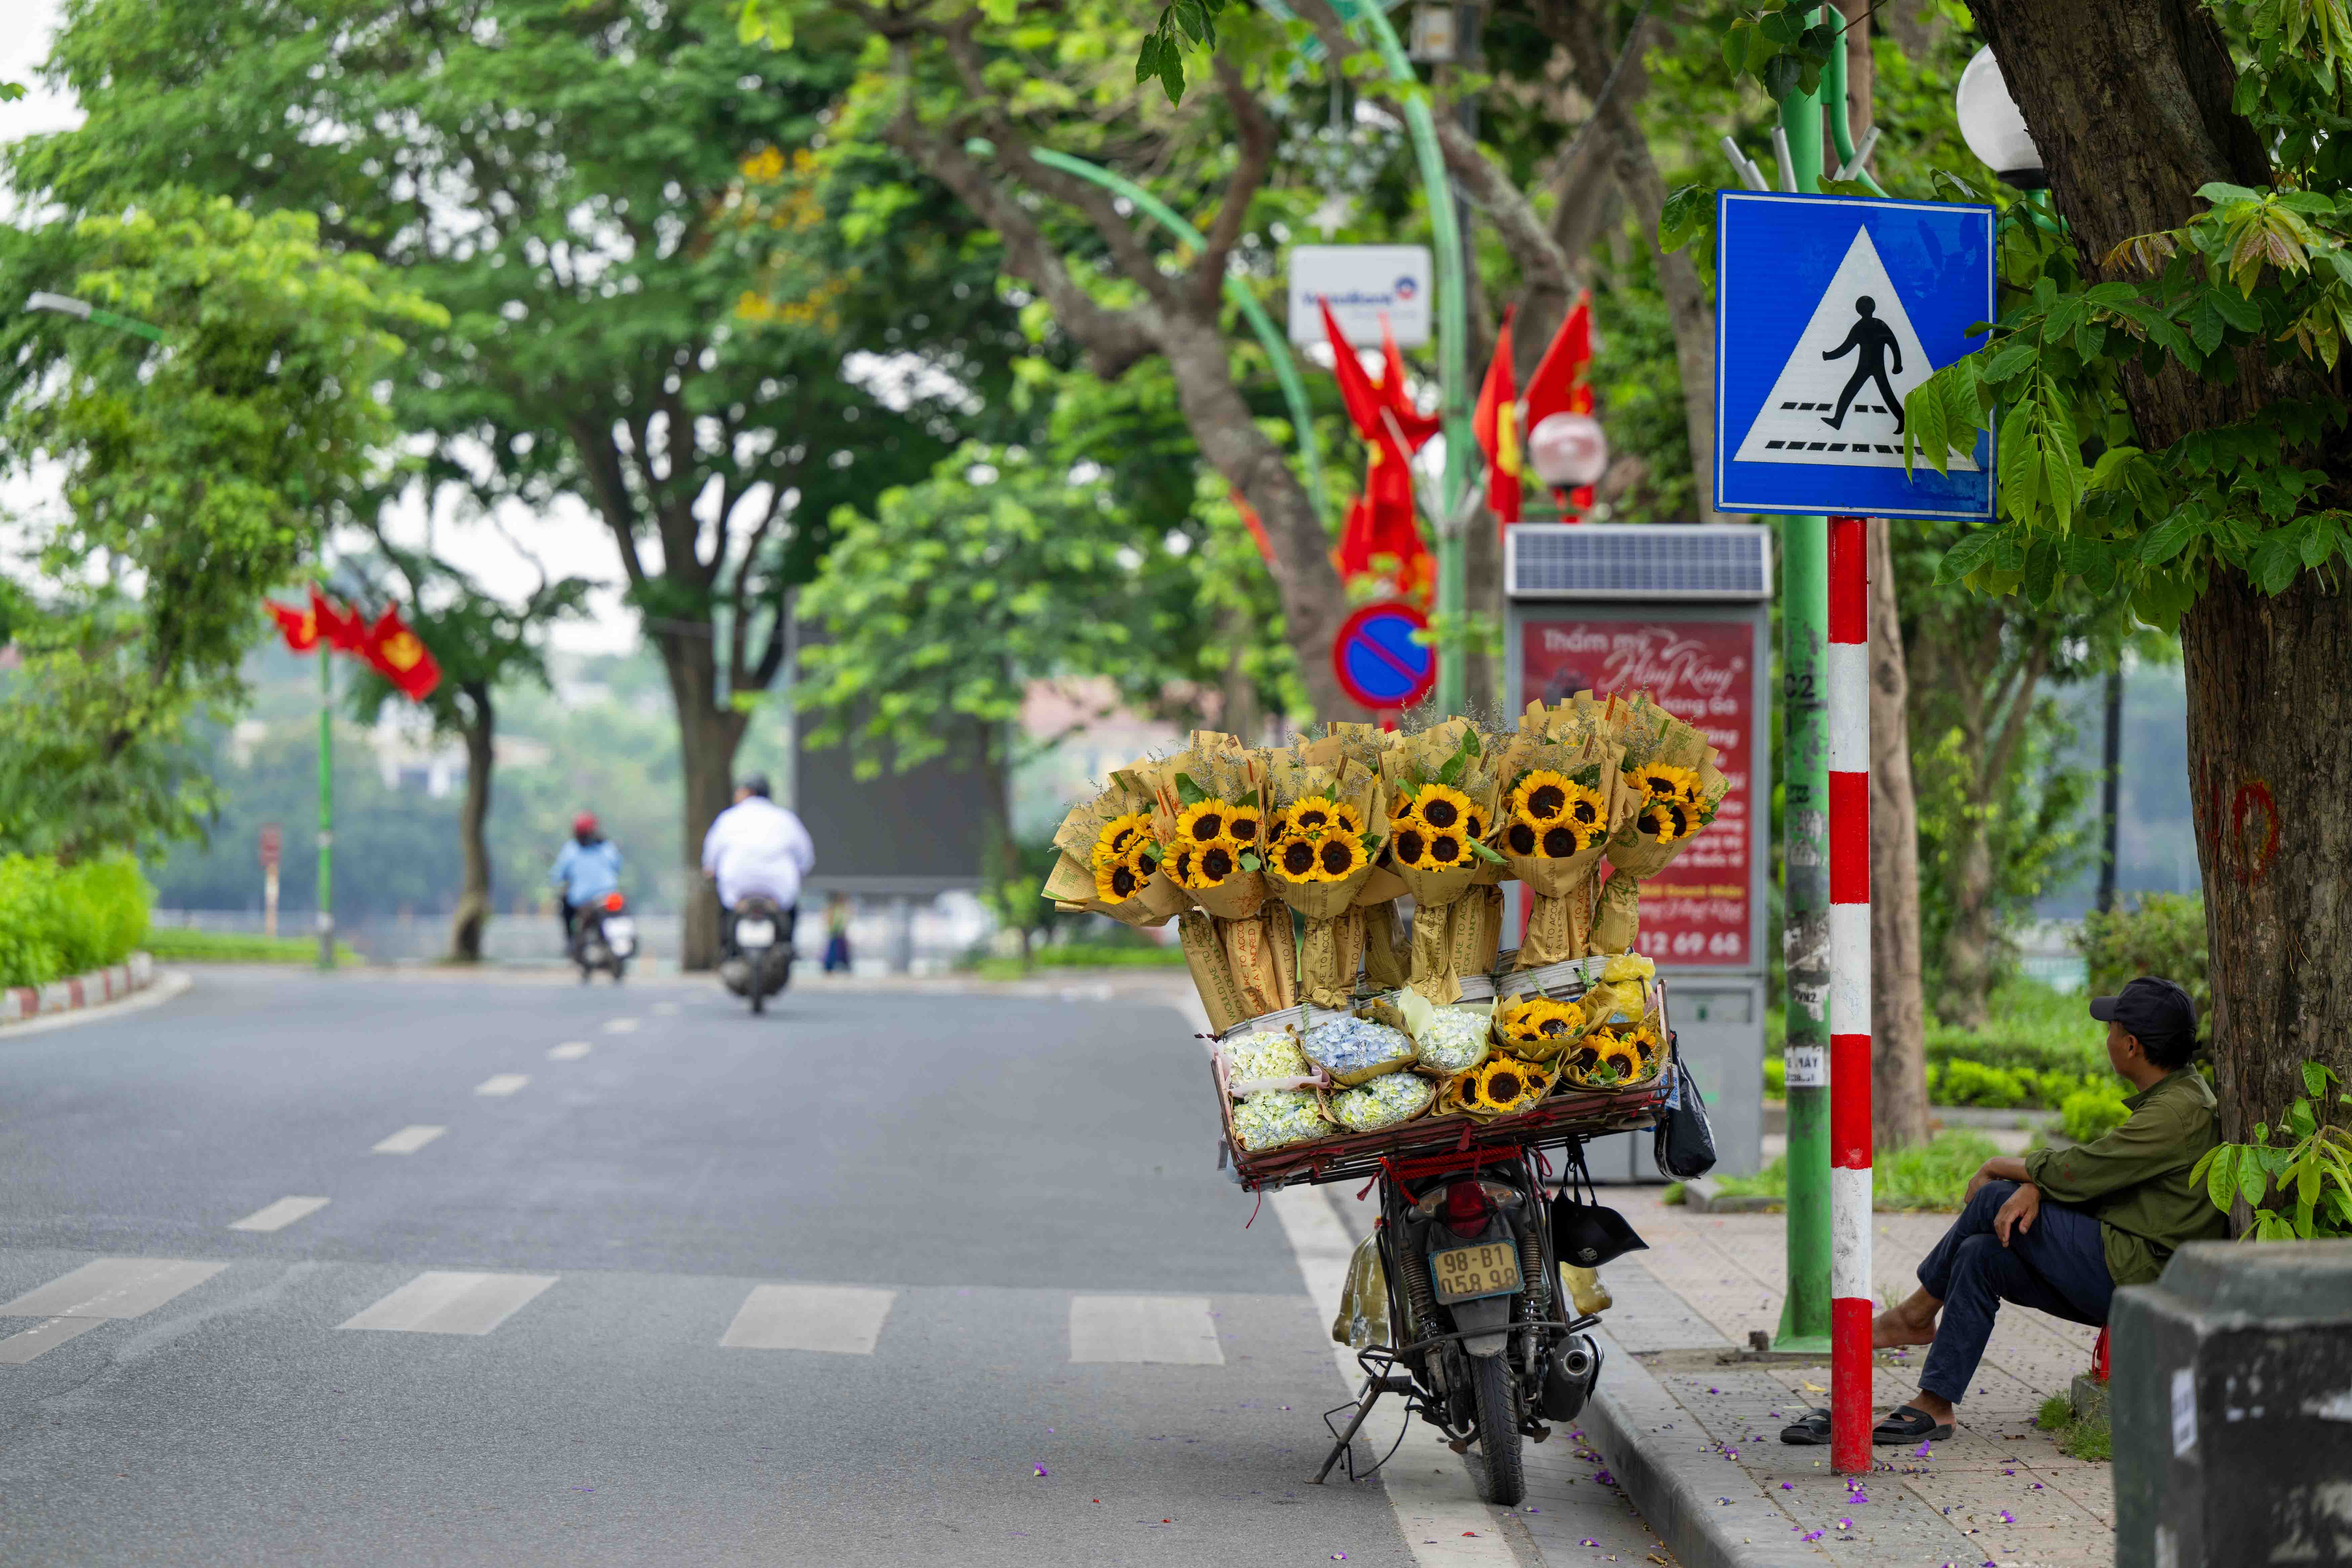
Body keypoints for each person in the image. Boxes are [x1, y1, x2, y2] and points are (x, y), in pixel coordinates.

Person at [1845, 976, 2226, 1446]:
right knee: (1983, 1254)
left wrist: (2003, 1166)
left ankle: (1914, 1314)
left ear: (2131, 1045)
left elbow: (2086, 1169)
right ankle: (1936, 1402)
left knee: (1990, 1197)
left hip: (2142, 1276)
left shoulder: (2176, 1112)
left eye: (2112, 1027)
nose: (2106, 1035)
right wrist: (2036, 1186)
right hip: (2129, 1261)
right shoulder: (2180, 1096)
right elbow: (2105, 1173)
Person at [700, 774, 815, 954]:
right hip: (777, 888)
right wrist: (800, 871)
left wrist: (710, 870)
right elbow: (806, 856)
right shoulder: (785, 818)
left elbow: (711, 855)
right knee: (791, 910)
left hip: (738, 886)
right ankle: (788, 947)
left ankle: (727, 951)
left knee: (726, 911)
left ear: (749, 793)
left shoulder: (728, 818)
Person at [1821, 294, 1904, 434]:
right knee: (1882, 393)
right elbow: (1894, 345)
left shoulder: (1860, 327)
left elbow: (1845, 348)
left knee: (1856, 391)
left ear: (1858, 310)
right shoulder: (1880, 324)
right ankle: (1837, 420)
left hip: (1868, 367)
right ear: (1873, 308)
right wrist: (1898, 364)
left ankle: (1837, 420)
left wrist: (1829, 356)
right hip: (1871, 367)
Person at [549, 813, 623, 950]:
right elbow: (618, 866)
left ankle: (571, 943)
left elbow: (558, 874)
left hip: (582, 901)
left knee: (564, 904)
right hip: (609, 897)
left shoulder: (571, 849)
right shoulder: (607, 847)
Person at [822, 890, 852, 974]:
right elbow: (830, 919)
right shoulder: (833, 908)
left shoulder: (843, 908)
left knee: (842, 951)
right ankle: (829, 967)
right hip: (834, 932)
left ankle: (845, 966)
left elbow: (845, 920)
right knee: (833, 950)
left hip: (841, 932)